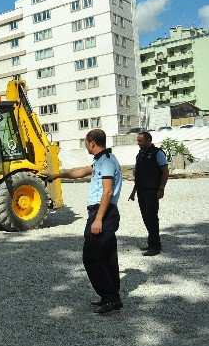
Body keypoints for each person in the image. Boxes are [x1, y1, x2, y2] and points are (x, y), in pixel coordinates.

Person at [47, 129, 123, 314]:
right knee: (108, 256)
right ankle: (112, 296)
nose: (85, 145)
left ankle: (110, 298)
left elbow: (107, 192)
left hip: (102, 213)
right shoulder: (103, 160)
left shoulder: (105, 162)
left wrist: (98, 219)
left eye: (86, 142)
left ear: (92, 143)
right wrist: (58, 176)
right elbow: (80, 172)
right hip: (106, 212)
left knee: (91, 257)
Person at [128, 132, 169, 256]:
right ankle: (152, 243)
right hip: (141, 191)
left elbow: (165, 171)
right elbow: (139, 175)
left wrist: (161, 189)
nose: (138, 143)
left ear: (149, 140)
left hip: (152, 191)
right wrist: (133, 191)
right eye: (138, 140)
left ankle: (155, 247)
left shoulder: (158, 153)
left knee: (151, 218)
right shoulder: (139, 155)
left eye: (140, 141)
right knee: (146, 218)